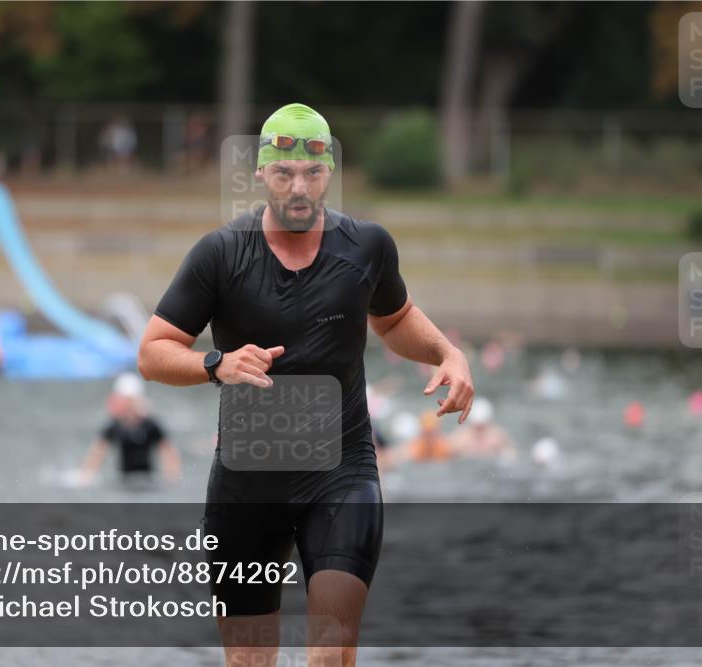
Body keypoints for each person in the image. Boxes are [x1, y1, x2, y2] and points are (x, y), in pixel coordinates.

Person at [137, 103, 475, 667]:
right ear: (263, 174)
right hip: (247, 483)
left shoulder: (366, 247)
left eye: (313, 174)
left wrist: (448, 353)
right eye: (286, 173)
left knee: (332, 646)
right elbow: (152, 353)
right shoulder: (220, 254)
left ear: (329, 174)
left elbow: (394, 321)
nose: (299, 187)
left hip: (341, 472)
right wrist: (214, 364)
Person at [79, 373, 180, 486]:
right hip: (124, 480)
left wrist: (171, 477)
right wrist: (87, 475)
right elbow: (98, 452)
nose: (128, 404)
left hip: (148, 480)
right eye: (125, 400)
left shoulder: (150, 425)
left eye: (130, 400)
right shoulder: (115, 426)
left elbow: (168, 451)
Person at [447, 397, 516, 459]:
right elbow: (446, 453)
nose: (479, 431)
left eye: (482, 427)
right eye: (476, 426)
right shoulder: (461, 438)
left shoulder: (497, 437)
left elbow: (512, 454)